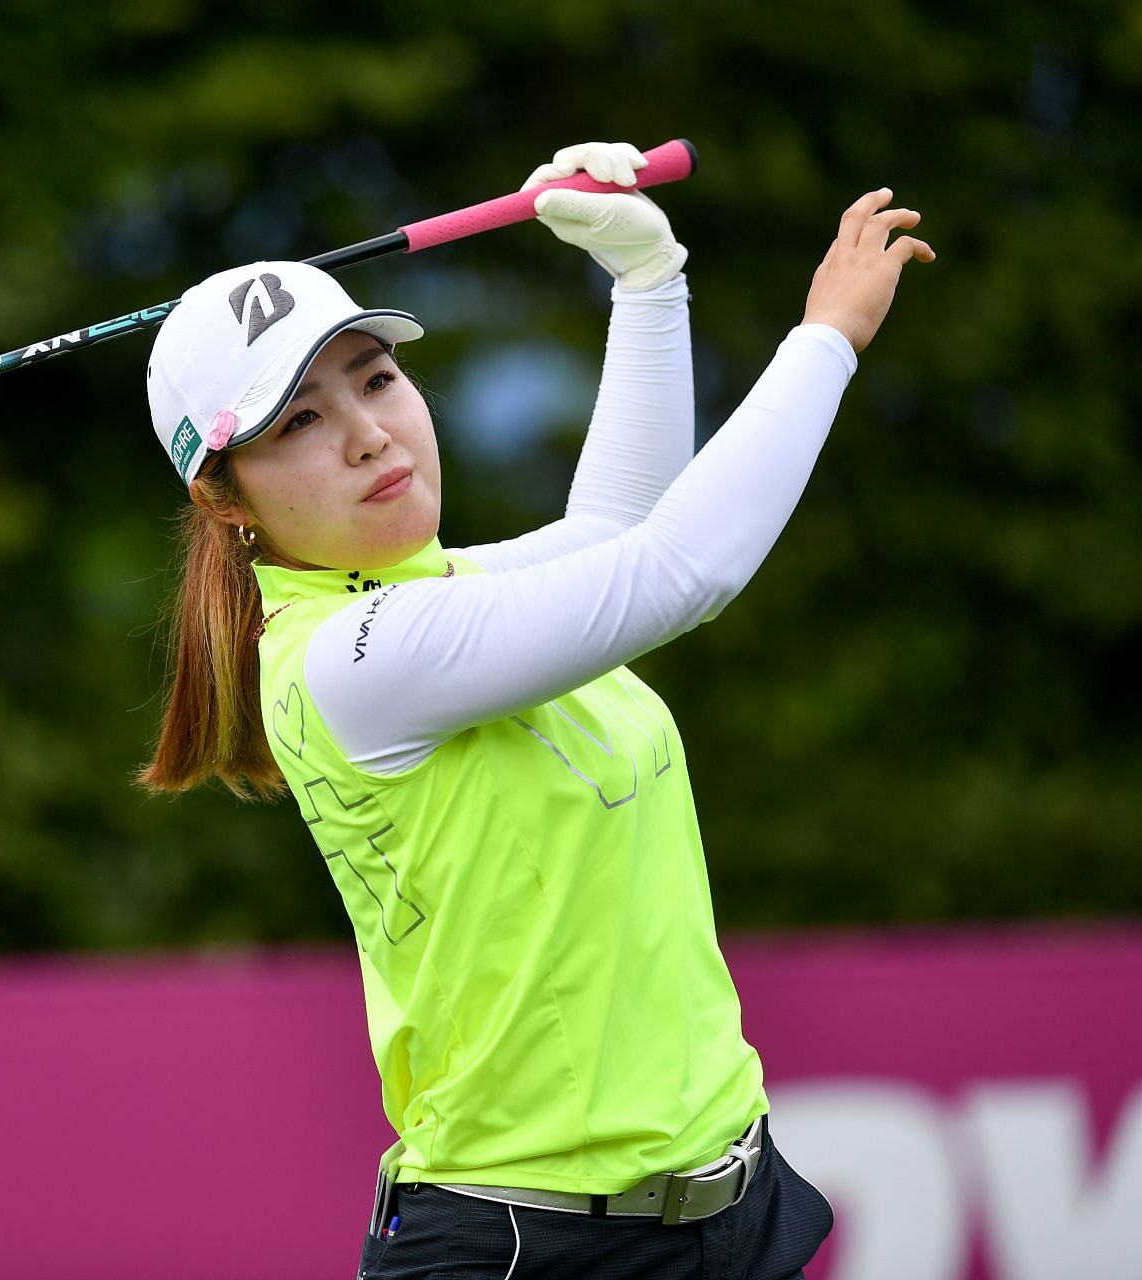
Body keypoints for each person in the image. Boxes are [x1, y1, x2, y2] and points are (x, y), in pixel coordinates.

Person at [137, 141, 934, 1278]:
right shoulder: (347, 657)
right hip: (532, 1248)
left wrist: (647, 283)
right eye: (297, 422)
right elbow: (677, 572)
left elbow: (616, 527)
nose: (368, 431)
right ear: (225, 498)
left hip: (734, 1211)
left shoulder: (446, 589)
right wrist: (826, 341)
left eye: (375, 379)